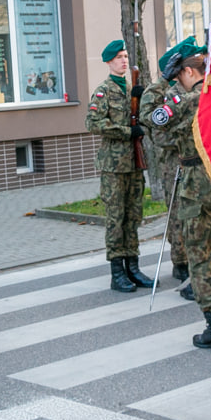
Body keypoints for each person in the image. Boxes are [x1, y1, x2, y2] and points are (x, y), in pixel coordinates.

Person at [141, 38, 211, 350]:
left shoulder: (190, 100)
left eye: (178, 77)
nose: (177, 84)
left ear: (188, 72)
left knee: (200, 256)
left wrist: (168, 97)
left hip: (198, 184)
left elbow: (153, 118)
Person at [86, 39, 153, 292]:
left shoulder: (130, 87)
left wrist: (142, 101)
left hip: (134, 164)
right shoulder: (103, 91)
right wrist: (127, 131)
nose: (124, 60)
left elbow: (144, 119)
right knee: (116, 218)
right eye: (119, 57)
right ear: (108, 62)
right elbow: (92, 123)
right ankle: (117, 272)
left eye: (125, 56)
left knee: (134, 215)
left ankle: (133, 267)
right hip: (114, 166)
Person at [139, 43, 192, 299]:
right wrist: (183, 141)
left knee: (190, 213)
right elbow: (157, 129)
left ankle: (190, 261)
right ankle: (180, 261)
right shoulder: (171, 93)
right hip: (175, 162)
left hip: (192, 162)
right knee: (178, 213)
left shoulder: (194, 90)